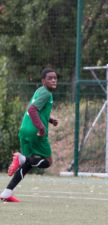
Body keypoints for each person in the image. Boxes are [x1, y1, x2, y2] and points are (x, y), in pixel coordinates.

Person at [0, 68, 58, 202]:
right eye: (50, 78)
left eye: (55, 78)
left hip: (24, 129)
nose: (54, 80)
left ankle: (6, 193)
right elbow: (32, 110)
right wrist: (41, 127)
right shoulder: (47, 94)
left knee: (28, 164)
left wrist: (49, 119)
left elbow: (35, 110)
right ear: (44, 81)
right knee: (47, 162)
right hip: (35, 132)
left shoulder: (40, 91)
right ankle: (21, 158)